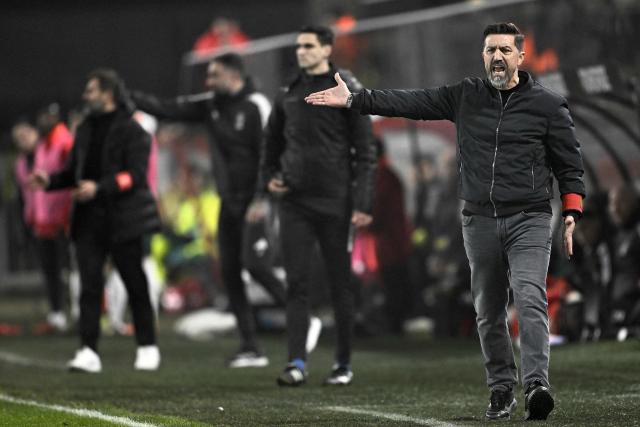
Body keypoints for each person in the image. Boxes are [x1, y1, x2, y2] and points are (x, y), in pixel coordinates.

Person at [305, 22, 585, 419]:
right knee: (487, 309)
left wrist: (572, 211)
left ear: (521, 57)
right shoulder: (465, 96)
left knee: (529, 298)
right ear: (483, 56)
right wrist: (356, 100)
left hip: (529, 219)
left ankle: (537, 384)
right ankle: (502, 388)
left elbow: (570, 164)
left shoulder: (548, 105)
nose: (497, 57)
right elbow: (412, 102)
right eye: (490, 50)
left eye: (505, 50)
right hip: (479, 220)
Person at [131, 53, 311, 368]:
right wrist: (130, 98)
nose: (209, 82)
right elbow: (169, 109)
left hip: (255, 202)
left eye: (214, 76)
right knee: (230, 272)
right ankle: (251, 347)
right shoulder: (211, 104)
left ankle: (304, 318)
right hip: (228, 202)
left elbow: (273, 152)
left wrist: (262, 198)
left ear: (233, 75)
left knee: (256, 266)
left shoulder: (256, 105)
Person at [262, 25, 376, 386]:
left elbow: (365, 151)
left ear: (327, 49)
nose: (301, 51)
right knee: (296, 282)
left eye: (308, 46)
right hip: (294, 202)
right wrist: (270, 177)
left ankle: (343, 364)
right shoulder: (287, 89)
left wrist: (361, 201)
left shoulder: (346, 87)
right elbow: (271, 143)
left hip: (336, 203)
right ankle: (296, 362)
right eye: (298, 46)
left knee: (339, 283)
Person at [31, 68, 162, 373]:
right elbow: (73, 172)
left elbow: (136, 176)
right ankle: (88, 350)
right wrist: (49, 181)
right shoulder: (86, 128)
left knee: (135, 283)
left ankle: (147, 346)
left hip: (124, 219)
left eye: (91, 90)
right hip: (88, 221)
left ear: (108, 93)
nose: (85, 96)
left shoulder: (134, 130)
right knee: (89, 286)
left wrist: (99, 188)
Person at [13, 116, 73, 333]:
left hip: (60, 218)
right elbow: (25, 196)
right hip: (39, 221)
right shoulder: (20, 164)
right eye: (19, 138)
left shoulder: (48, 150)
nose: (23, 140)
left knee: (69, 267)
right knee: (50, 269)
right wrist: (28, 220)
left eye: (26, 135)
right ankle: (57, 312)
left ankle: (75, 311)